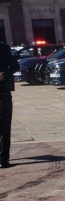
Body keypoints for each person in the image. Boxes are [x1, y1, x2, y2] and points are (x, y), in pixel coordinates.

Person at [0, 39, 20, 168]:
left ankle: (3, 159)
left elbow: (15, 66)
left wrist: (4, 74)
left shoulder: (2, 48)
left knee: (4, 127)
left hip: (2, 94)